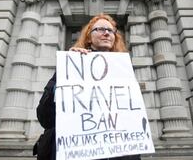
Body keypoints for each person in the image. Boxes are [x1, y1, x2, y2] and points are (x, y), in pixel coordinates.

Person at [35, 14, 140, 160]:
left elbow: (132, 120)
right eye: (101, 29)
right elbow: (45, 118)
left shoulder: (123, 72)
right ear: (89, 37)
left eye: (111, 31)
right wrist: (67, 73)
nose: (107, 33)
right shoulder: (71, 66)